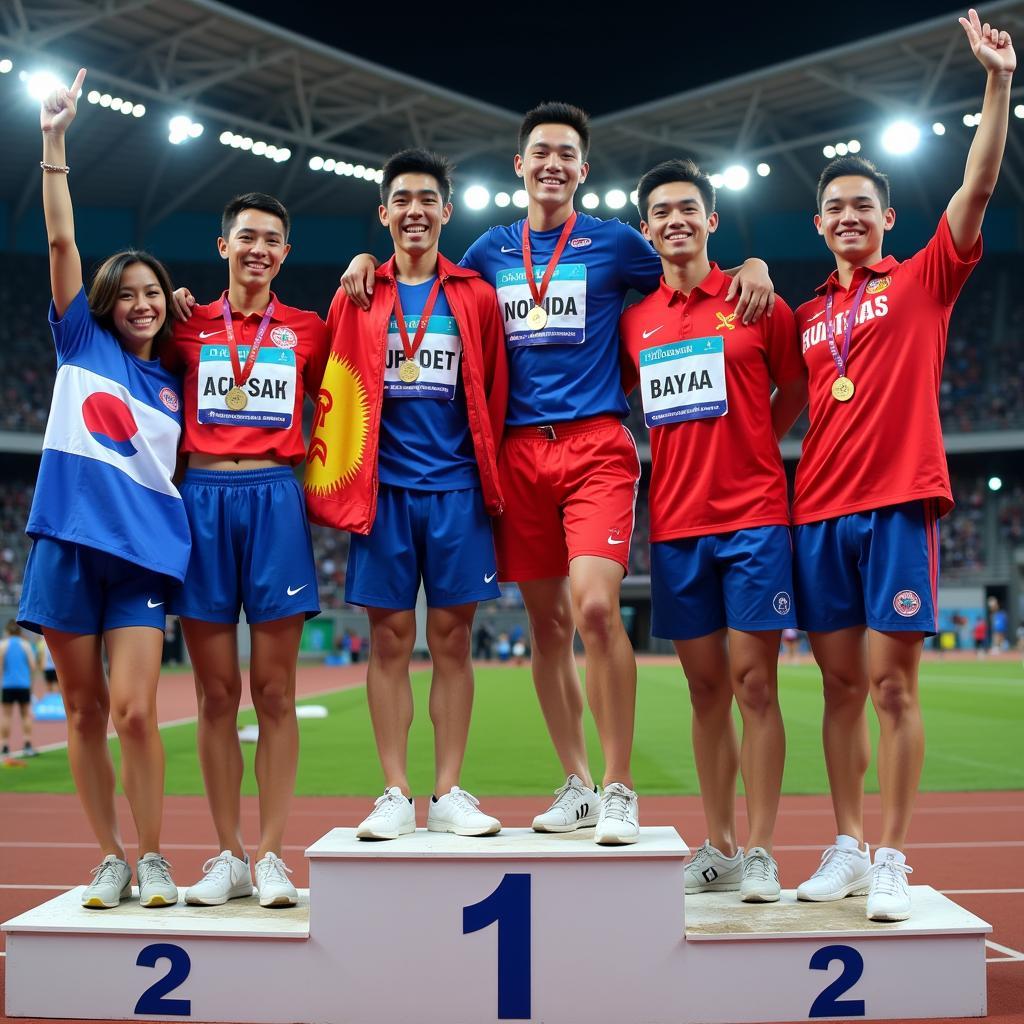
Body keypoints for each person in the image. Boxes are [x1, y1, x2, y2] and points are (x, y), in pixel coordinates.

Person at [342, 102, 774, 845]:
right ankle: (576, 781)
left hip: (597, 448)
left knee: (597, 610)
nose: (551, 163)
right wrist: (362, 263)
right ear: (520, 166)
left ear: (581, 169)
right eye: (539, 151)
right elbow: (419, 281)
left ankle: (618, 787)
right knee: (547, 626)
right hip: (515, 454)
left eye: (566, 154)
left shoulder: (614, 246)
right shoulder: (484, 253)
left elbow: (685, 269)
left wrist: (753, 265)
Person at [792, 10, 1013, 922]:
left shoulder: (923, 277)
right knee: (839, 686)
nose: (848, 217)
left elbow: (980, 185)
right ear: (819, 222)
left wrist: (997, 82)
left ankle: (892, 855)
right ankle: (846, 845)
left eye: (862, 206)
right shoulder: (804, 315)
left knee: (892, 684)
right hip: (819, 513)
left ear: (887, 219)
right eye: (834, 207)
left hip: (896, 504)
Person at [18, 68, 190, 909]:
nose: (141, 303)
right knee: (82, 714)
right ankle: (110, 857)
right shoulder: (79, 342)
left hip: (142, 558)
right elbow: (60, 246)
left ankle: (154, 856)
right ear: (104, 305)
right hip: (64, 546)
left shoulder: (181, 380)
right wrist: (54, 144)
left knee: (132, 712)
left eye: (153, 292)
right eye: (127, 293)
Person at [306, 149, 507, 839]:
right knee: (388, 640)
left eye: (429, 198)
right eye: (403, 199)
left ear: (446, 211)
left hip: (456, 490)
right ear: (384, 212)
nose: (416, 210)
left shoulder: (476, 293)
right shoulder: (356, 293)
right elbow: (327, 384)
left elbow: (498, 392)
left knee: (453, 640)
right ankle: (394, 791)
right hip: (382, 491)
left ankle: (448, 792)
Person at [620, 159, 805, 900]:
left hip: (755, 520)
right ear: (646, 229)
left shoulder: (758, 300)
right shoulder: (635, 322)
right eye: (661, 211)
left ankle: (761, 849)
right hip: (675, 526)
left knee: (755, 686)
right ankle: (721, 844)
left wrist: (760, 438)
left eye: (688, 208)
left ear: (711, 221)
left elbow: (792, 386)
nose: (675, 220)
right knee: (704, 691)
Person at [168, 193, 328, 906]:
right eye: (246, 238)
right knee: (215, 694)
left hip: (274, 499)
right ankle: (227, 853)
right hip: (199, 503)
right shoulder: (186, 325)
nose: (258, 248)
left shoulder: (309, 330)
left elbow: (344, 402)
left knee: (274, 690)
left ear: (284, 254)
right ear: (222, 246)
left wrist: (361, 262)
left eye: (271, 239)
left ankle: (270, 856)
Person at [1, 620, 40, 757]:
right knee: (25, 715)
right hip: (23, 685)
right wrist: (30, 683)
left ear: (7, 631)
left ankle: (4, 746)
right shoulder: (26, 645)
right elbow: (33, 667)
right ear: (20, 631)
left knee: (6, 715)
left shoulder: (3, 645)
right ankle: (28, 744)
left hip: (7, 686)